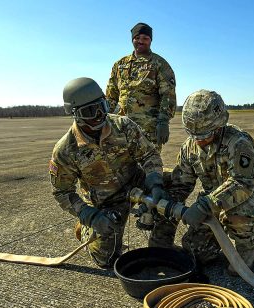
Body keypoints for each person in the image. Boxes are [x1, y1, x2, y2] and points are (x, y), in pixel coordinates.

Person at [49, 77, 172, 269]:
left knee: (172, 182)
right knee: (105, 259)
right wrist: (89, 216)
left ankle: (160, 242)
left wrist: (155, 182)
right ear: (75, 114)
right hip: (105, 202)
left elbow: (148, 154)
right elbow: (62, 192)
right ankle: (85, 230)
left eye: (102, 106)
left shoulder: (123, 126)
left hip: (137, 183)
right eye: (90, 111)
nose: (99, 115)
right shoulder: (66, 150)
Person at [170, 90, 254, 276]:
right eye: (193, 135)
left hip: (247, 198)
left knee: (237, 214)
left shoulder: (238, 142)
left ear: (218, 126)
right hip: (212, 204)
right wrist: (166, 206)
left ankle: (247, 242)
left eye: (204, 135)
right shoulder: (189, 147)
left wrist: (203, 206)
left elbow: (242, 183)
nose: (198, 141)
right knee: (196, 252)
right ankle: (218, 237)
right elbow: (180, 185)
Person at [106, 22, 176, 150]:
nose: (141, 41)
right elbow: (111, 96)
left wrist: (163, 121)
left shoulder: (159, 64)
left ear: (151, 41)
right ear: (132, 39)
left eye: (145, 38)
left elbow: (168, 95)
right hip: (121, 128)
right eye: (137, 38)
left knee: (149, 166)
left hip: (148, 130)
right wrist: (104, 119)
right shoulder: (120, 65)